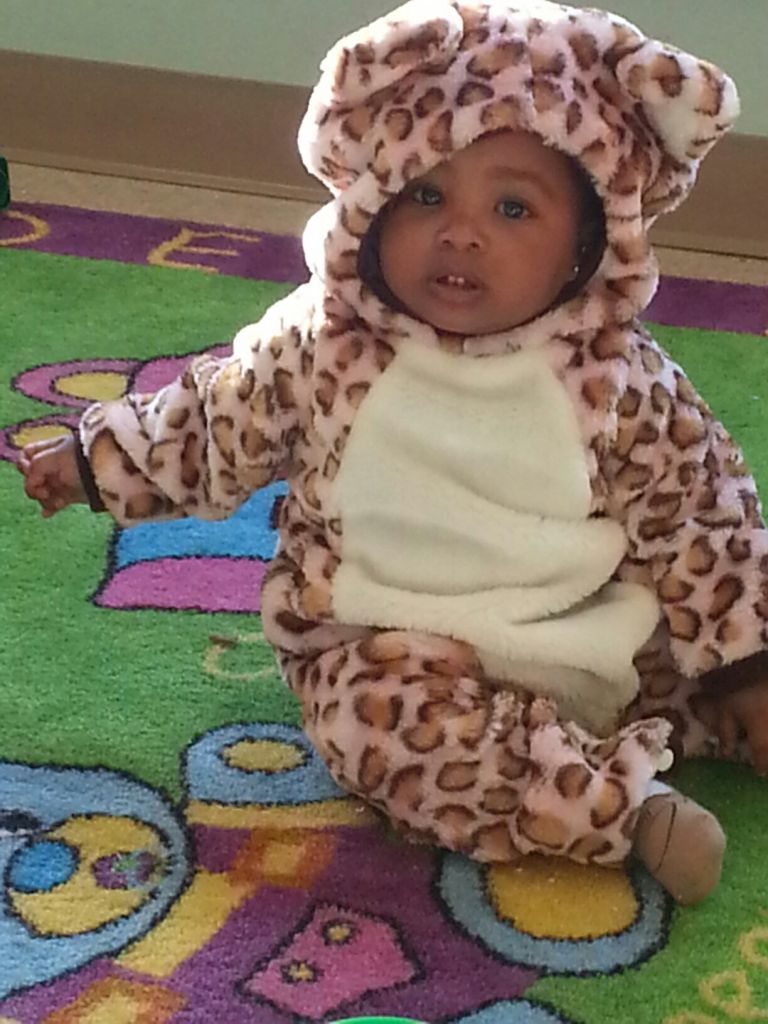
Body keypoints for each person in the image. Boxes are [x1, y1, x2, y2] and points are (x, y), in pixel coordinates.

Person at [18, 0, 768, 905]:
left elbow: (702, 515)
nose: (461, 233)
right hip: (390, 641)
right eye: (425, 194)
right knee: (372, 732)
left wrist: (744, 662)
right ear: (371, 199)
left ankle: (723, 714)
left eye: (514, 208)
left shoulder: (617, 379)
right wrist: (97, 462)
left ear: (591, 239)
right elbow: (214, 419)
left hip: (591, 636)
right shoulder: (326, 345)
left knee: (700, 658)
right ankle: (614, 808)